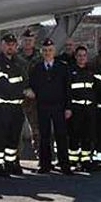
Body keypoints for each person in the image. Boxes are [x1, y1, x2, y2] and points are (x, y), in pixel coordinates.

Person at [27, 38, 72, 174]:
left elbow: (67, 89)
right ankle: (45, 165)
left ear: (54, 51)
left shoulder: (63, 67)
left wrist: (68, 107)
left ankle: (65, 166)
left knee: (61, 136)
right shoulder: (37, 68)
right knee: (44, 136)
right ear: (42, 52)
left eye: (50, 50)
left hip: (59, 106)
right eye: (45, 50)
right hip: (43, 106)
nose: (48, 53)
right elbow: (32, 86)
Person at [0, 33, 29, 176]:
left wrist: (22, 89)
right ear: (2, 46)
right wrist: (23, 91)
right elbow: (5, 86)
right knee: (0, 136)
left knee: (14, 137)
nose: (10, 47)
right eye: (7, 44)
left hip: (17, 107)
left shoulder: (19, 62)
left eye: (12, 44)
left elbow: (25, 81)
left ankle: (10, 163)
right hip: (3, 106)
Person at [67, 46, 96, 171]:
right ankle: (73, 160)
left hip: (88, 108)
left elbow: (95, 90)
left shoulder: (91, 71)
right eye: (79, 55)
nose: (82, 58)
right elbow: (67, 91)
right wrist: (68, 108)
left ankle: (85, 161)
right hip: (76, 108)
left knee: (87, 136)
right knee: (74, 135)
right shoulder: (70, 71)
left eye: (84, 55)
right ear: (75, 56)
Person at [18, 28, 41, 164]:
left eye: (30, 40)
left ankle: (41, 157)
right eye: (25, 40)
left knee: (37, 130)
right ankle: (14, 159)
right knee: (17, 131)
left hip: (35, 99)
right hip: (20, 98)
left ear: (34, 41)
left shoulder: (40, 56)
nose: (28, 43)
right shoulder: (16, 56)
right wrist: (23, 90)